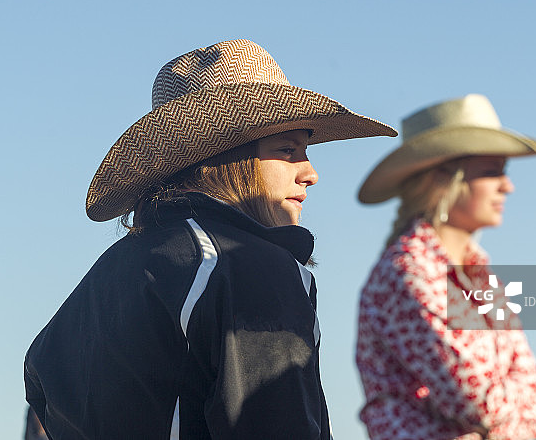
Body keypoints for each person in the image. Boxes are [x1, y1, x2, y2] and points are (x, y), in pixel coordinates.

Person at [24, 39, 396, 439]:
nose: (310, 173)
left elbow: (41, 377)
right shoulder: (251, 267)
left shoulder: (108, 272)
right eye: (288, 150)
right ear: (226, 156)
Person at [355, 94, 536, 440]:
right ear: (445, 180)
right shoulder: (409, 272)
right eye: (492, 172)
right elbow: (476, 404)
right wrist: (511, 413)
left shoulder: (479, 273)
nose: (506, 186)